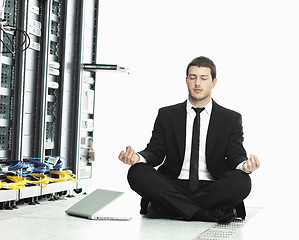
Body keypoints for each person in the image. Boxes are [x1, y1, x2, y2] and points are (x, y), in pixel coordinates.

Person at [118, 56, 260, 223]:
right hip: (173, 185)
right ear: (186, 81)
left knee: (242, 181)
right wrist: (138, 158)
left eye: (203, 78)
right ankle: (203, 213)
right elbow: (155, 151)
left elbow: (235, 154)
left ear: (214, 82)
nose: (197, 83)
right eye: (193, 78)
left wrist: (245, 166)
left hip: (212, 187)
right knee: (137, 172)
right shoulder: (167, 115)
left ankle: (171, 208)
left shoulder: (230, 118)